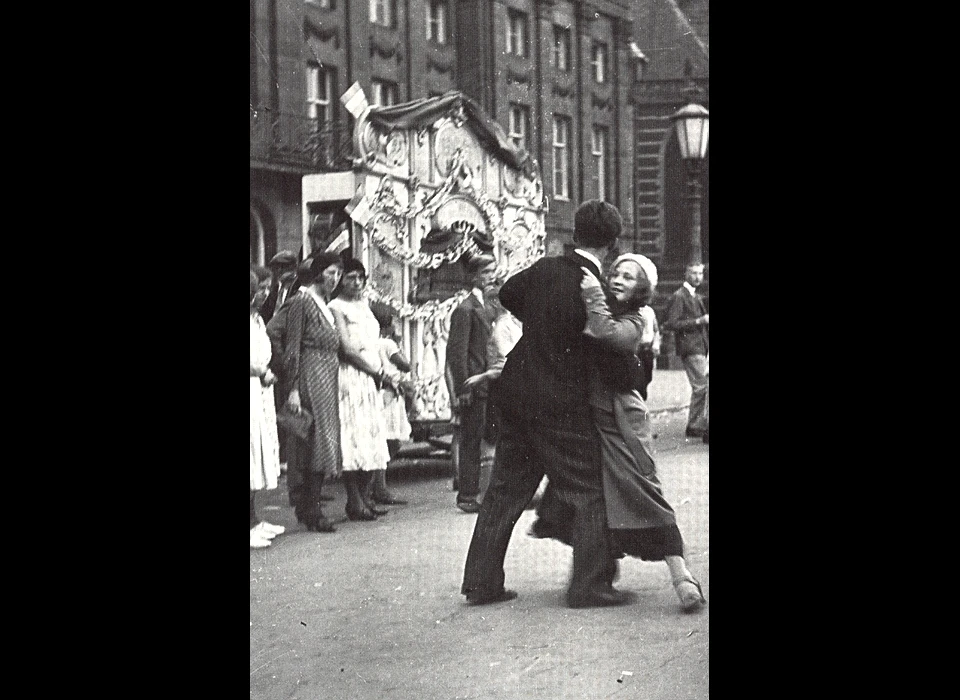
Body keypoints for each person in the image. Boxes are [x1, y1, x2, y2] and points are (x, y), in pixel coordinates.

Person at [460, 199, 631, 608]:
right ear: (611, 244)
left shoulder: (544, 269)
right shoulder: (597, 289)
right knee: (588, 488)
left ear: (575, 234)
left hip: (518, 392)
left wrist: (541, 320)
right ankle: (589, 585)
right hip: (561, 402)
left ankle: (481, 583)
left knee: (503, 490)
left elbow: (508, 292)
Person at [531, 254, 706, 613]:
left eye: (629, 276)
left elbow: (607, 333)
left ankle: (683, 578)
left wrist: (593, 293)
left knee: (643, 489)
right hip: (596, 418)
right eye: (616, 273)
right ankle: (597, 577)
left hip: (623, 419)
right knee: (596, 499)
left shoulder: (638, 318)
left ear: (642, 287)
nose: (617, 279)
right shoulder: (601, 309)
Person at [328, 258, 405, 521]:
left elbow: (374, 341)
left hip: (371, 378)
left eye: (361, 277)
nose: (357, 282)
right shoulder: (335, 307)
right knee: (354, 437)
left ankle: (364, 496)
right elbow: (347, 349)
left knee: (371, 435)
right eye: (351, 277)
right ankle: (354, 500)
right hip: (352, 377)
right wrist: (376, 371)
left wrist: (379, 371)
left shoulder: (364, 305)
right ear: (341, 279)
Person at [280, 252, 345, 533]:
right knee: (313, 441)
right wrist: (293, 388)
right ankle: (311, 508)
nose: (335, 279)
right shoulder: (302, 303)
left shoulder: (326, 306)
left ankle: (310, 506)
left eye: (338, 274)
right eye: (330, 273)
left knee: (322, 441)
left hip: (327, 377)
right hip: (309, 375)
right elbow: (293, 348)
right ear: (318, 273)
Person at [446, 253, 498, 513]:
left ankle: (482, 490)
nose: (492, 277)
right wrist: (463, 389)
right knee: (471, 439)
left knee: (487, 436)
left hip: (489, 384)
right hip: (475, 385)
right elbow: (457, 353)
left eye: (493, 271)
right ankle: (467, 494)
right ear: (473, 277)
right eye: (486, 273)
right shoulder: (465, 309)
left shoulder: (489, 307)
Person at [461, 284, 522, 505]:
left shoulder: (503, 326)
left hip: (504, 386)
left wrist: (483, 376)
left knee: (492, 440)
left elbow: (507, 361)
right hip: (507, 385)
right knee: (495, 438)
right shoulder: (508, 325)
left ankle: (489, 494)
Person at [250, 268, 285, 548]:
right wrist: (261, 371)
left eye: (266, 288)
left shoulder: (258, 320)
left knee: (257, 453)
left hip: (260, 392)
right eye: (259, 288)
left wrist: (267, 372)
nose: (263, 294)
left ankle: (254, 518)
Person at [370, 306, 412, 505]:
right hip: (391, 392)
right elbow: (406, 365)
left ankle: (377, 484)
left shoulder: (372, 342)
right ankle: (380, 486)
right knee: (390, 440)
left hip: (381, 390)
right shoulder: (388, 343)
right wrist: (398, 344)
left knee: (384, 439)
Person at [664, 262, 709, 439]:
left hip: (699, 346)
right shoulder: (680, 296)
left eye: (700, 274)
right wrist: (699, 321)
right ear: (686, 274)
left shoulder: (695, 296)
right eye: (694, 273)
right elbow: (672, 323)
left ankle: (697, 423)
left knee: (702, 385)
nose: (698, 277)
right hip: (690, 346)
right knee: (701, 386)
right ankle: (695, 424)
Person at [261, 250, 299, 324]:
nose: (280, 270)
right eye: (276, 267)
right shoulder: (275, 289)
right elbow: (265, 314)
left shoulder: (298, 288)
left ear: (294, 267)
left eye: (284, 266)